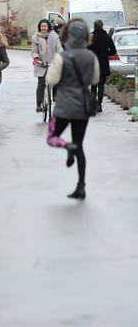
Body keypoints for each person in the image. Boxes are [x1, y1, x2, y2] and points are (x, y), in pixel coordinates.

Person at [45, 19, 100, 200]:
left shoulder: (62, 57)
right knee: (80, 146)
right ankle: (81, 186)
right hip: (82, 109)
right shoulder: (91, 57)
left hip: (63, 108)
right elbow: (95, 80)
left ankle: (67, 146)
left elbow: (50, 81)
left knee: (52, 137)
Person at [32, 19, 63, 112]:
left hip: (52, 63)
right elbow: (34, 50)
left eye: (45, 26)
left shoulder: (54, 36)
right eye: (42, 26)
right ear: (39, 27)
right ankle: (38, 104)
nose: (43, 28)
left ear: (48, 27)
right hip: (40, 64)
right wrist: (36, 58)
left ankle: (56, 98)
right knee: (41, 83)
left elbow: (59, 48)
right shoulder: (35, 37)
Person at [88, 19, 116, 113]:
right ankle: (99, 105)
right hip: (103, 64)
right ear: (102, 26)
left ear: (94, 26)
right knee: (101, 85)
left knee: (93, 86)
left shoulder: (91, 38)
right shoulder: (107, 37)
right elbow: (113, 51)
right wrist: (105, 53)